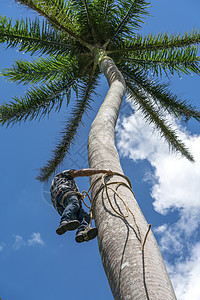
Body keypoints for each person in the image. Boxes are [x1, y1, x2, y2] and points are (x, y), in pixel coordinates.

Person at [50, 168, 113, 243]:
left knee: (85, 216)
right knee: (74, 204)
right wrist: (102, 171)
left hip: (61, 206)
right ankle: (64, 221)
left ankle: (82, 233)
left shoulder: (58, 184)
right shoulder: (62, 176)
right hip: (64, 192)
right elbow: (81, 172)